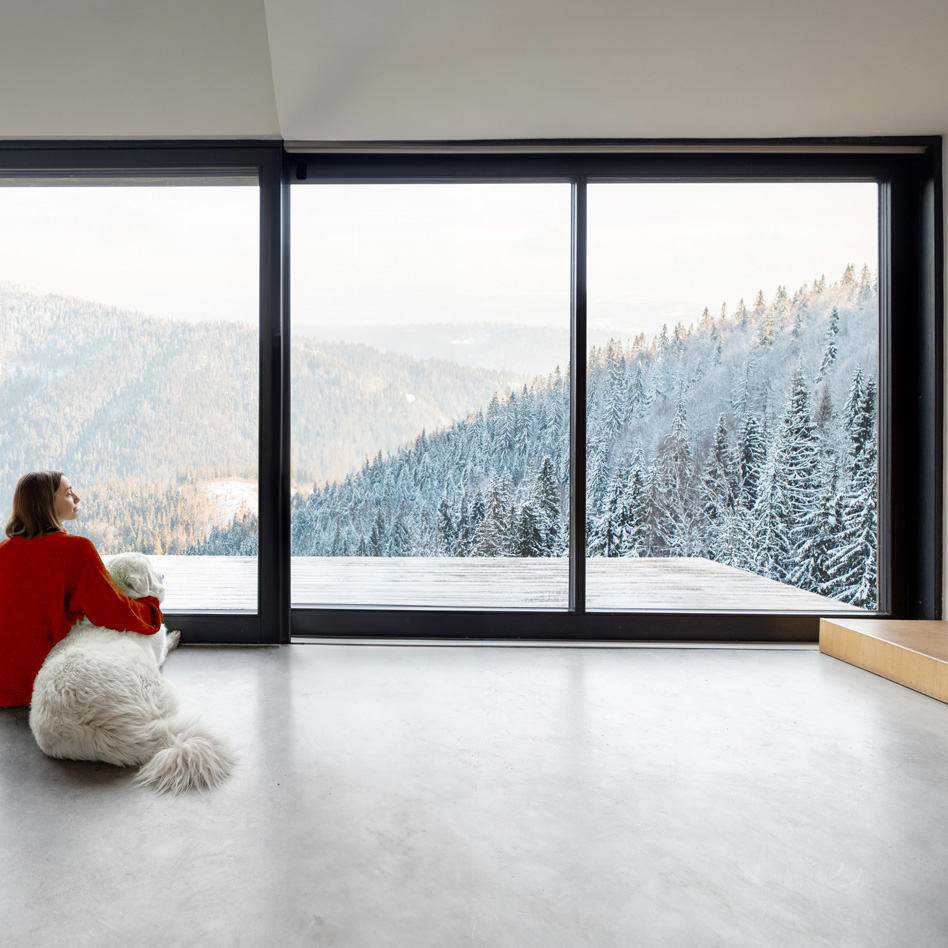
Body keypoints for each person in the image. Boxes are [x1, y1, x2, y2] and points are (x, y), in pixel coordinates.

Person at [0, 470, 162, 707]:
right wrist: (150, 607)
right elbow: (113, 611)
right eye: (68, 494)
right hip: (46, 685)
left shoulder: (4, 550)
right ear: (47, 504)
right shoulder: (75, 550)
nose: (77, 499)